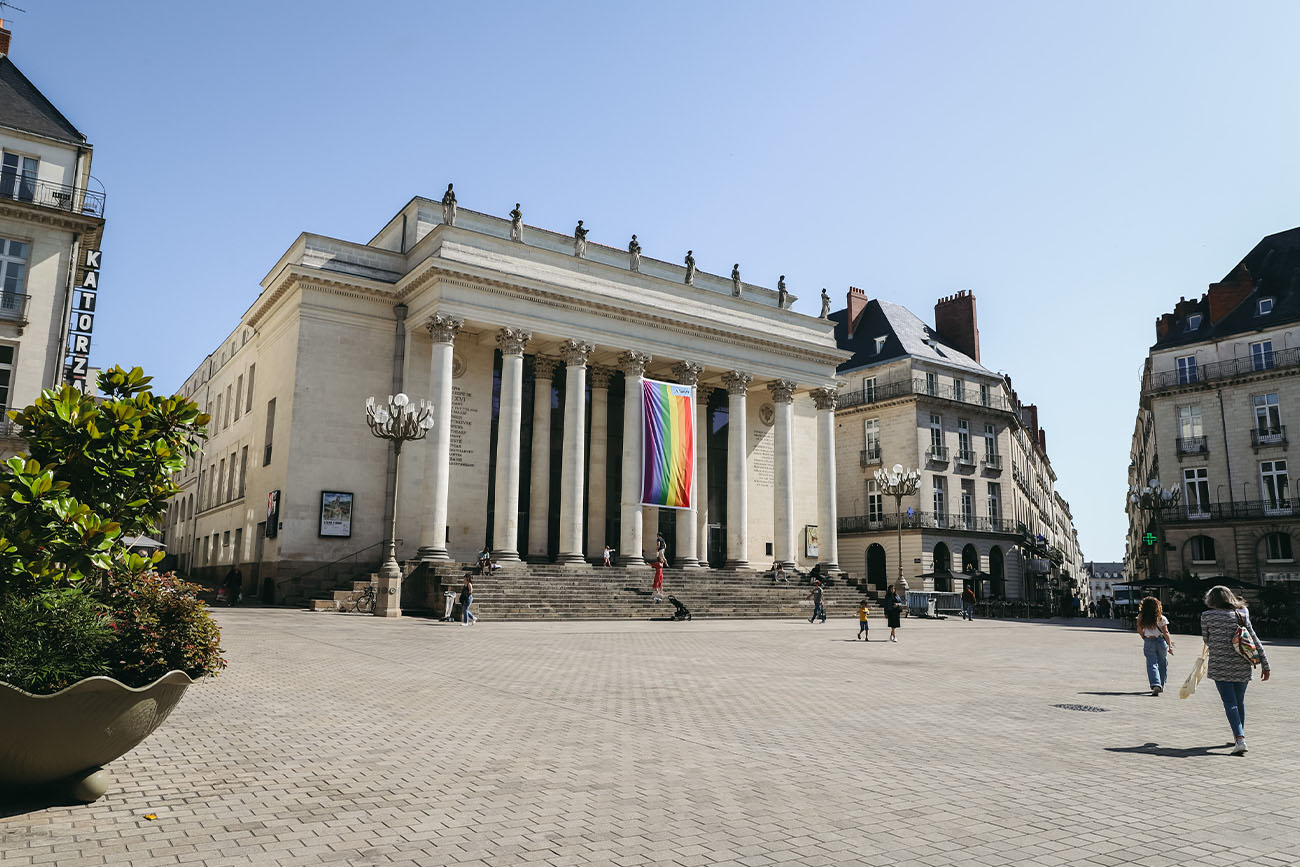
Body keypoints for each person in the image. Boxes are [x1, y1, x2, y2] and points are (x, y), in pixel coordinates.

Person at [1201, 585, 1270, 755]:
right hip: (1242, 664)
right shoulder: (1241, 614)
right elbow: (1254, 639)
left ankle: (1239, 739)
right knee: (1239, 702)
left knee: (1229, 703)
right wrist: (1265, 664)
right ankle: (1240, 735)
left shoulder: (1207, 616)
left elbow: (1206, 639)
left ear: (1212, 599)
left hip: (1220, 665)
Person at [1136, 595, 1174, 695]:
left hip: (1149, 641)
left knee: (1152, 664)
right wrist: (1169, 645)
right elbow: (1166, 632)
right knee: (1163, 663)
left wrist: (1144, 637)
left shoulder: (1141, 618)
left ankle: (1155, 684)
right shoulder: (1161, 618)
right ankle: (1161, 684)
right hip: (1161, 642)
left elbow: (1139, 629)